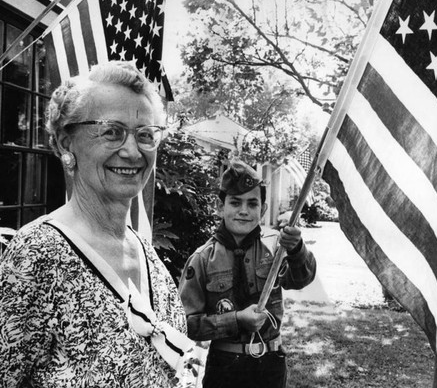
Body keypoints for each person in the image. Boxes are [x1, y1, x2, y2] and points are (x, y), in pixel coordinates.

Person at [0, 61, 195, 388]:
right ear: (65, 143)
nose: (133, 152)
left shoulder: (149, 259)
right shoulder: (36, 258)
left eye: (146, 135)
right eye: (111, 132)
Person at [179, 159, 317, 388]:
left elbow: (302, 279)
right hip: (225, 368)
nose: (244, 211)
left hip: (271, 365)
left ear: (262, 209)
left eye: (252, 204)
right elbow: (186, 325)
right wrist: (236, 320)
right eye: (235, 202)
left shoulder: (276, 247)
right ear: (221, 206)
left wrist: (297, 249)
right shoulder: (202, 259)